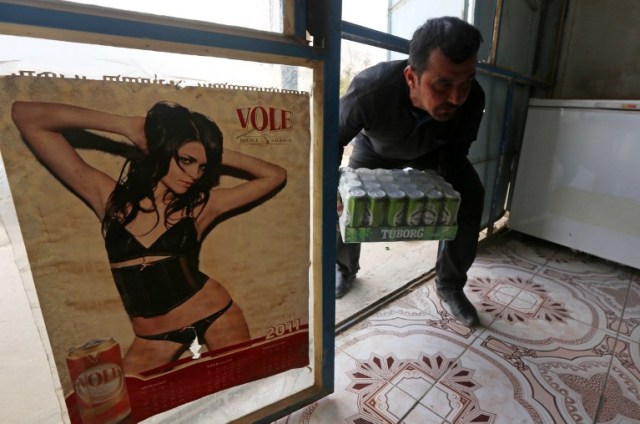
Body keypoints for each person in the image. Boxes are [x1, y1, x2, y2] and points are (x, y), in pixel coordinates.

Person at [11, 100, 287, 374]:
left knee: (244, 388)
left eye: (202, 168)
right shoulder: (109, 199)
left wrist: (207, 151)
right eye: (186, 161)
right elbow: (27, 117)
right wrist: (124, 125)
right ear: (162, 150)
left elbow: (275, 175)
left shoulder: (203, 205)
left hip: (215, 314)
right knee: (120, 412)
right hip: (152, 338)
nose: (194, 175)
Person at [335, 16, 485, 327]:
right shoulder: (369, 89)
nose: (456, 98)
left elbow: (457, 153)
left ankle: (450, 285)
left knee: (469, 195)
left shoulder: (474, 100)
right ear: (411, 77)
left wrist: (438, 198)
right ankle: (344, 268)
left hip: (435, 153)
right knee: (346, 201)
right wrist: (333, 188)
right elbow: (331, 141)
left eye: (465, 84)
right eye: (443, 84)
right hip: (375, 149)